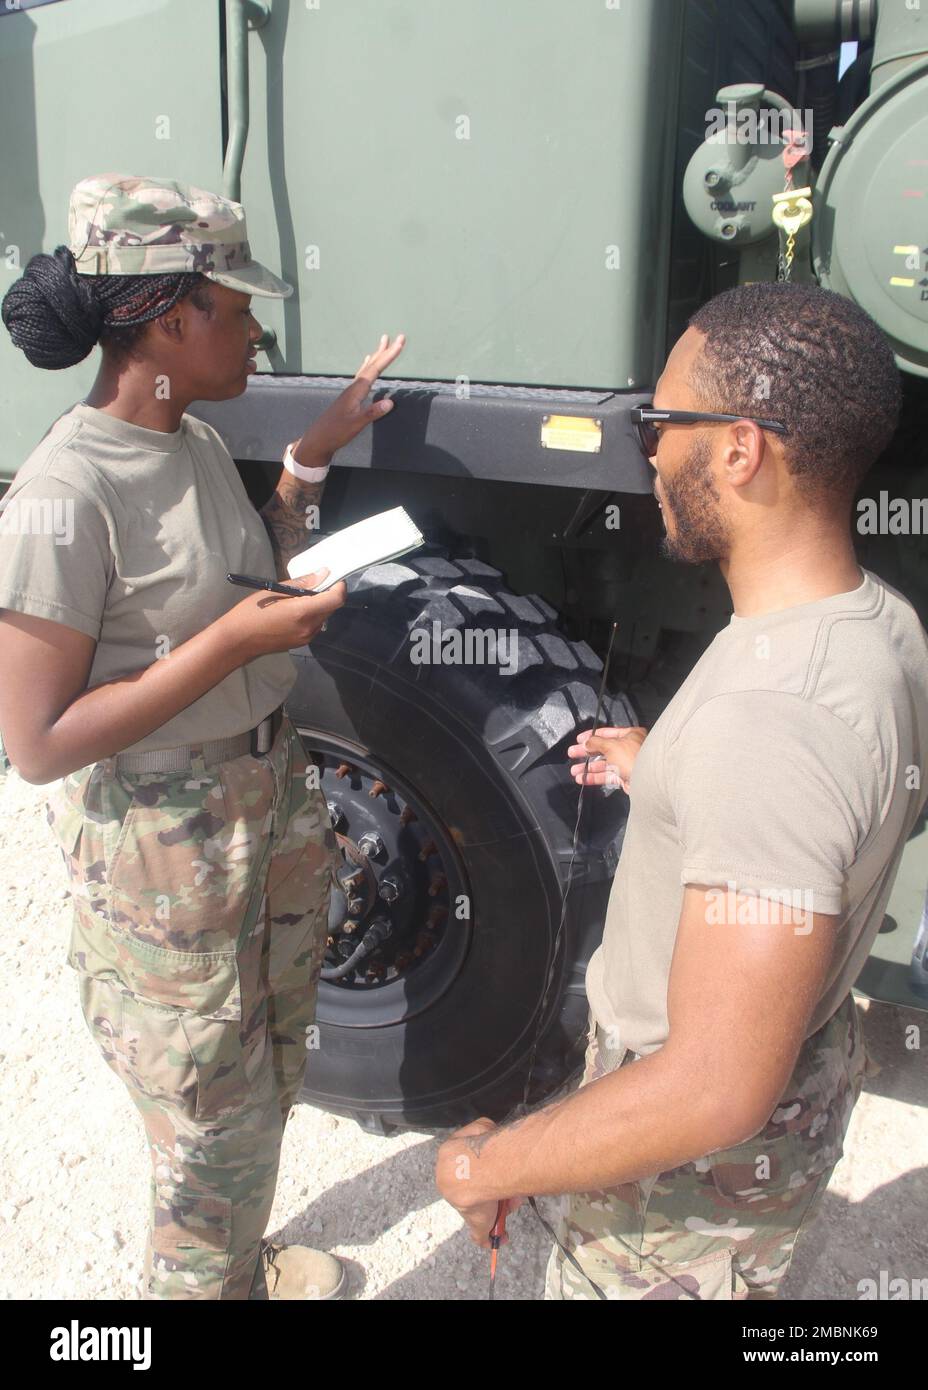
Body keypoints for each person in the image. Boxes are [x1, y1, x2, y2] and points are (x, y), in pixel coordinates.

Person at [434, 280, 928, 1300]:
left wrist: (486, 1164)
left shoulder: (767, 726)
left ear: (740, 449)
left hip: (684, 1192)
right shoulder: (873, 620)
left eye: (660, 421)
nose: (649, 451)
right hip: (797, 1076)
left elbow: (709, 1087)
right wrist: (670, 766)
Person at [0, 173, 405, 1299]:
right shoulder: (60, 496)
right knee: (203, 1122)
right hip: (166, 851)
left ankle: (233, 1265)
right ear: (170, 319)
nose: (256, 327)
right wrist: (228, 647)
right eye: (235, 305)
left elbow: (238, 578)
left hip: (257, 810)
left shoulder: (186, 440)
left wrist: (310, 464)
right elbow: (35, 742)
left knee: (267, 1068)